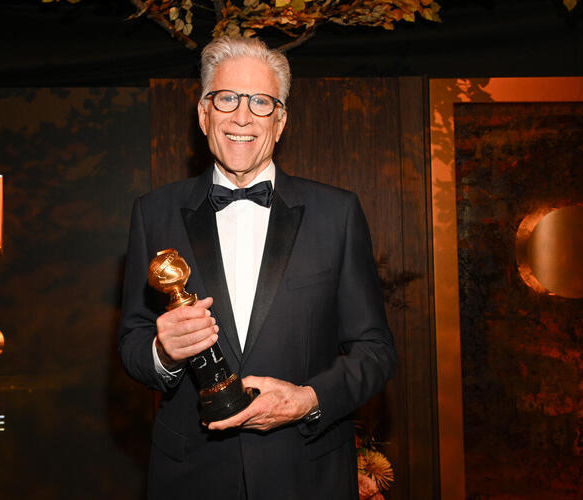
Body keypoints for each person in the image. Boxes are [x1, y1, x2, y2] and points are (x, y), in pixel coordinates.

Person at [118, 36, 396, 500]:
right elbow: (131, 343)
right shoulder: (153, 213)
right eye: (226, 98)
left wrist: (307, 400)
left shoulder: (338, 213)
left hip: (308, 477)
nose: (242, 116)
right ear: (204, 113)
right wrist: (163, 352)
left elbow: (376, 349)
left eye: (261, 102)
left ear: (281, 120)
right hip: (191, 478)